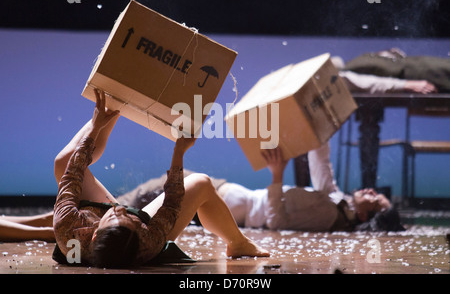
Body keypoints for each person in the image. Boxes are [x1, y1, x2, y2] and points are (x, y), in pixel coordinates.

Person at [1, 89, 269, 267]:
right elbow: (174, 202)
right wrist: (179, 150)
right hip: (136, 239)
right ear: (139, 229)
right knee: (201, 183)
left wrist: (95, 127)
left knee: (62, 163)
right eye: (129, 216)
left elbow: (72, 172)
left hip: (90, 227)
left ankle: (113, 107)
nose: (120, 209)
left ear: (94, 235)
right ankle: (237, 242)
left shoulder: (68, 227)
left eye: (116, 214)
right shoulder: (149, 240)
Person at [217, 145, 402, 232]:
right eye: (378, 194)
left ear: (363, 216)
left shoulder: (329, 215)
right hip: (236, 199)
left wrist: (277, 175)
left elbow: (277, 223)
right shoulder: (338, 203)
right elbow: (321, 164)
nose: (372, 191)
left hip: (237, 207)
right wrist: (319, 127)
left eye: (375, 200)